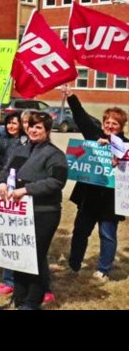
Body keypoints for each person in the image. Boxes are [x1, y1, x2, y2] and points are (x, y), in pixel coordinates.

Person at [0, 111, 68, 310]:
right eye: (31, 126)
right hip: (19, 212)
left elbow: (57, 181)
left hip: (44, 212)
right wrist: (1, 184)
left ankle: (32, 301)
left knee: (35, 257)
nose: (33, 130)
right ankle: (19, 298)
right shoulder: (21, 150)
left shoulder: (55, 154)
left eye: (39, 127)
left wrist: (27, 189)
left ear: (47, 130)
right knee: (20, 256)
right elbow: (6, 172)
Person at [65, 91, 127, 281]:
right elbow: (81, 117)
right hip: (88, 198)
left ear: (121, 126)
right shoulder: (94, 137)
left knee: (107, 235)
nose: (110, 126)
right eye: (107, 122)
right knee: (80, 232)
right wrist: (71, 98)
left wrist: (116, 155)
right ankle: (74, 265)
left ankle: (104, 269)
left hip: (110, 201)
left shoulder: (126, 146)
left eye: (114, 123)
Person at [0, 109, 29, 295]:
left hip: (19, 192)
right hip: (2, 189)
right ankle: (8, 279)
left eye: (15, 123)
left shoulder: (27, 142)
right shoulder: (4, 141)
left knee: (19, 234)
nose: (11, 126)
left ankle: (22, 275)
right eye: (8, 123)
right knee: (4, 234)